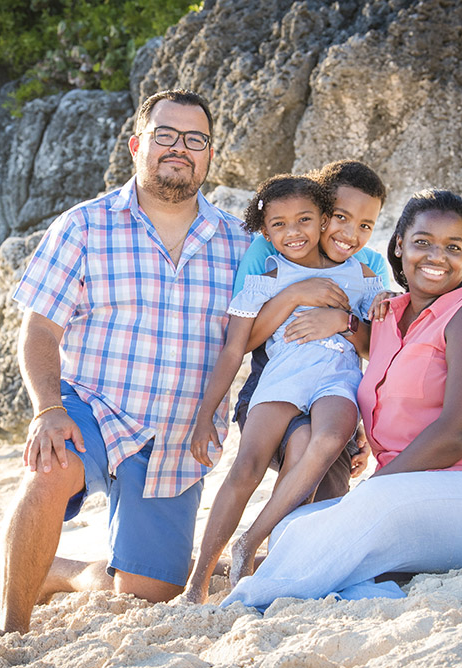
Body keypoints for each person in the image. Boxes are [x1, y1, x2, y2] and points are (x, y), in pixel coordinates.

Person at [221, 189, 462, 610]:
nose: (436, 256)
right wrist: (345, 322)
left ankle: (247, 601)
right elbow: (371, 358)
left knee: (367, 508)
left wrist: (368, 493)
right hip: (421, 493)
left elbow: (460, 432)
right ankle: (367, 594)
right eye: (422, 242)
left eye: (453, 247)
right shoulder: (389, 314)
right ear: (399, 244)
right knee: (293, 527)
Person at [0, 89, 250, 634]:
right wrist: (47, 409)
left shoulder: (239, 242)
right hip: (94, 408)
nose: (179, 148)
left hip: (179, 436)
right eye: (165, 135)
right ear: (137, 145)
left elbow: (276, 327)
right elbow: (40, 330)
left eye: (195, 140)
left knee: (147, 595)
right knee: (49, 467)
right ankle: (10, 627)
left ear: (209, 155)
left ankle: (58, 574)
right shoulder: (83, 226)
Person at [182, 175, 384, 603]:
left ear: (319, 219)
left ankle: (255, 547)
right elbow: (237, 345)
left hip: (337, 380)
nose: (294, 232)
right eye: (280, 225)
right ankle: (197, 582)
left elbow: (379, 347)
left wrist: (355, 320)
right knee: (246, 467)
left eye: (305, 221)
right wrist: (205, 417)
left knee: (327, 439)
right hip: (281, 378)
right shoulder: (270, 268)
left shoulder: (365, 274)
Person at [232, 160, 390, 504]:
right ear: (318, 211)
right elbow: (241, 340)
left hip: (334, 392)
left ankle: (298, 554)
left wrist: (342, 321)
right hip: (272, 388)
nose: (349, 234)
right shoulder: (271, 249)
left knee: (331, 489)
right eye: (340, 217)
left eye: (365, 224)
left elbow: (373, 350)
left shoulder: (370, 266)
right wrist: (294, 295)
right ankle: (271, 547)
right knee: (302, 450)